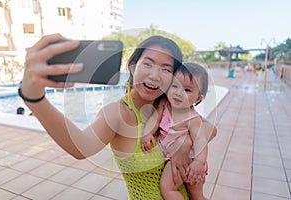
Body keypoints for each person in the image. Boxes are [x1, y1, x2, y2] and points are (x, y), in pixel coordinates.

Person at [19, 33, 216, 199]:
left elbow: (210, 129)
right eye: (148, 64)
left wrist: (185, 146)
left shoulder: (169, 106)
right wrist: (34, 98)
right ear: (133, 67)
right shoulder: (118, 114)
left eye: (166, 69)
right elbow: (80, 146)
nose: (155, 75)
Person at [141, 62, 213, 200]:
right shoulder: (165, 104)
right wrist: (148, 133)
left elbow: (200, 140)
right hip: (176, 157)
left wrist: (199, 162)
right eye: (174, 86)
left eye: (187, 90)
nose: (178, 93)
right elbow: (155, 119)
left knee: (168, 189)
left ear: (198, 98)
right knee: (196, 196)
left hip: (189, 162)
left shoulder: (192, 119)